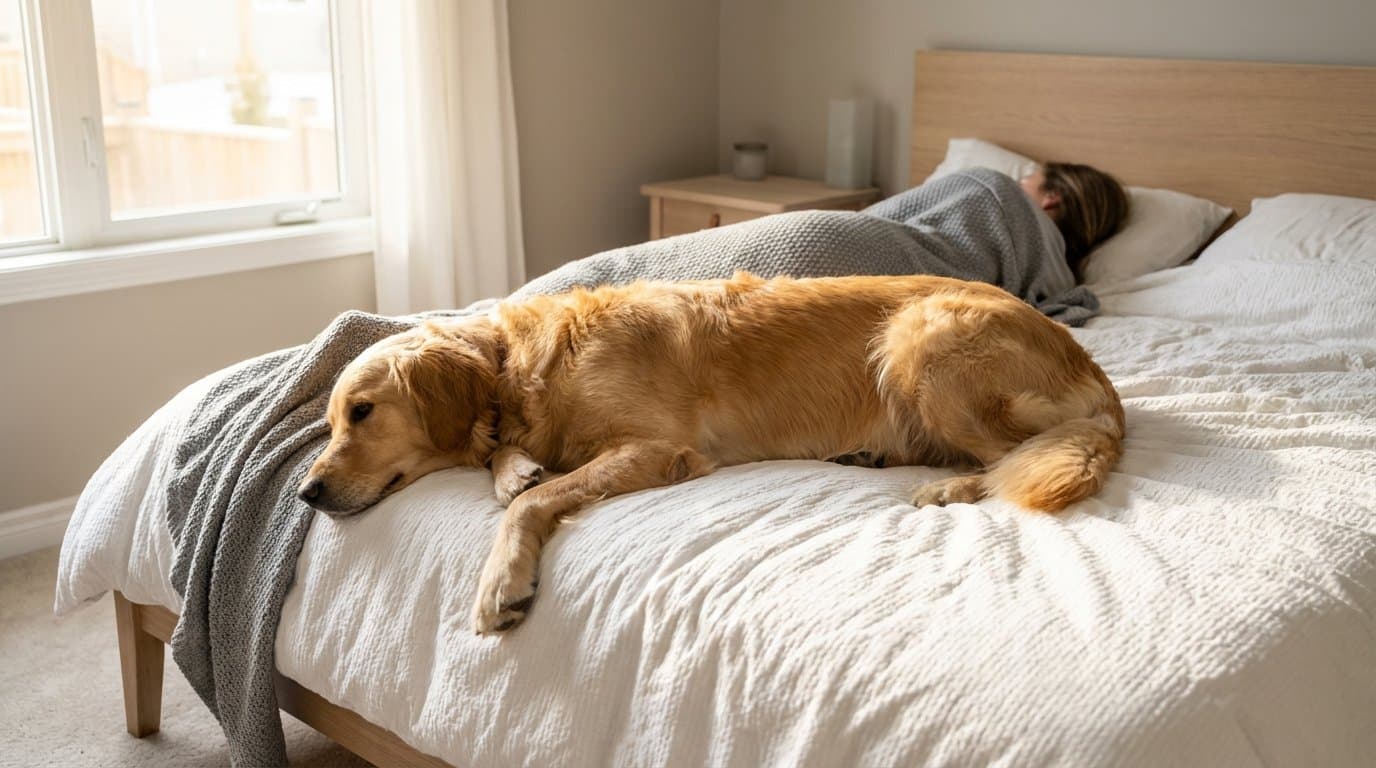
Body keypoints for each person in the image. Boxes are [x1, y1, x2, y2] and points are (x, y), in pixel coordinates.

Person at [1017, 162, 1130, 281]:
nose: (1015, 184)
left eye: (1020, 184)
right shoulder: (1060, 283)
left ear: (1052, 197)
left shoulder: (1002, 191)